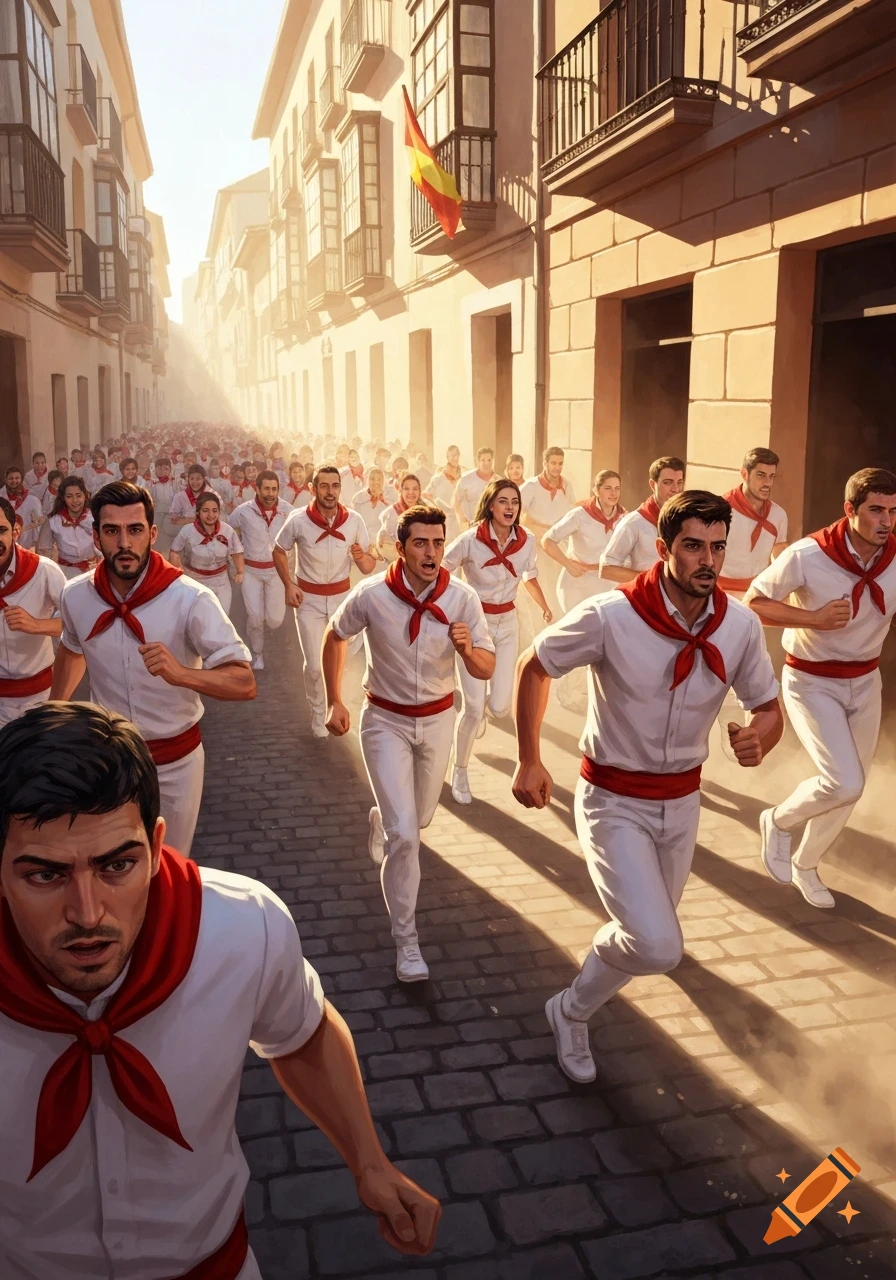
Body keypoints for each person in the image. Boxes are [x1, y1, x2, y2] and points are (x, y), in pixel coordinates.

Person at [0, 702, 441, 1278]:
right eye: (45, 874)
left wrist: (368, 1160)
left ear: (158, 848)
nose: (87, 913)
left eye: (117, 866)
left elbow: (301, 1032)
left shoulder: (243, 927)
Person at [513, 491, 783, 1083]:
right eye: (692, 546)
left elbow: (768, 705)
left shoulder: (739, 624)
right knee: (659, 946)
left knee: (646, 934)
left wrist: (761, 736)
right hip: (612, 800)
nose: (707, 560)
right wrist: (528, 759)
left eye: (717, 546)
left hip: (684, 805)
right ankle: (571, 1011)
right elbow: (534, 665)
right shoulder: (611, 615)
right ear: (662, 551)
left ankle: (573, 1004)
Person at [323, 506, 495, 981]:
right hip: (384, 721)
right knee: (407, 837)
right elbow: (334, 636)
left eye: (438, 543)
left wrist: (466, 650)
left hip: (438, 722)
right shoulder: (372, 595)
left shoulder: (462, 600)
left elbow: (485, 667)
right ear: (399, 548)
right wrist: (335, 700)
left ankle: (383, 815)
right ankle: (407, 941)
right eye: (421, 543)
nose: (432, 553)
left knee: (417, 820)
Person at [50, 481, 256, 855]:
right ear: (96, 536)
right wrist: (51, 710)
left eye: (135, 530)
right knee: (114, 866)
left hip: (176, 763)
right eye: (112, 531)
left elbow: (244, 682)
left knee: (169, 864)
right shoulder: (75, 595)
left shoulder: (190, 599)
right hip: (110, 761)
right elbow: (72, 648)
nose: (124, 543)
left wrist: (182, 674)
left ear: (153, 534)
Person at [747, 467, 896, 909]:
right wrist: (813, 618)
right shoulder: (808, 554)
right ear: (850, 510)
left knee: (853, 786)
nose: (886, 520)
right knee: (843, 779)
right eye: (875, 510)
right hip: (812, 680)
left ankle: (806, 864)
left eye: (893, 511)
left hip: (866, 682)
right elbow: (753, 602)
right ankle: (777, 820)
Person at [444, 478, 552, 804]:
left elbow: (530, 576)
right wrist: (449, 610)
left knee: (501, 706)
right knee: (474, 709)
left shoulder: (528, 540)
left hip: (507, 626)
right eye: (503, 502)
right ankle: (459, 770)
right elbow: (442, 571)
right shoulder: (469, 540)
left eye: (514, 502)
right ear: (491, 505)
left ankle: (479, 716)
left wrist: (545, 605)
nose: (509, 508)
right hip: (474, 627)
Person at [274, 466, 376, 738]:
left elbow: (367, 566)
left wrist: (359, 556)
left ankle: (338, 704)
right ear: (313, 489)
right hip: (309, 601)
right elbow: (278, 550)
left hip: (343, 600)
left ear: (340, 489)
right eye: (324, 486)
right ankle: (319, 712)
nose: (330, 492)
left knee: (342, 660)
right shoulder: (297, 520)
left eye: (335, 486)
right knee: (316, 665)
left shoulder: (354, 520)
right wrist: (289, 584)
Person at [0, 498, 65, 726]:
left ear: (15, 531)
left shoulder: (43, 570)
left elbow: (77, 623)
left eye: (1, 530)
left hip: (38, 697)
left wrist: (37, 625)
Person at [229, 471, 293, 671]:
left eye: (274, 489)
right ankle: (257, 653)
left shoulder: (288, 510)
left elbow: (298, 539)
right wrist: (236, 564)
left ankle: (268, 625)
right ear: (257, 488)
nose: (270, 493)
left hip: (276, 571)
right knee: (255, 618)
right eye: (266, 488)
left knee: (274, 620)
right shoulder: (242, 511)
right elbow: (228, 533)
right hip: (251, 571)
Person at [542, 470, 625, 616]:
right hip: (576, 584)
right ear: (596, 490)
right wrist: (567, 563)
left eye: (617, 488)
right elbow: (548, 540)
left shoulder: (624, 517)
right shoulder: (580, 514)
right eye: (608, 488)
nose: (613, 493)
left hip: (607, 584)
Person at [600, 456, 685, 584]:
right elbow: (606, 569)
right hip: (643, 598)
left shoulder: (687, 521)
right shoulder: (633, 523)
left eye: (679, 482)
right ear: (652, 484)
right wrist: (654, 582)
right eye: (668, 482)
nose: (676, 489)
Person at [719, 447, 789, 596]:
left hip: (757, 594)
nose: (767, 483)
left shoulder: (779, 515)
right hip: (721, 591)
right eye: (761, 475)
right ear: (745, 474)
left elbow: (778, 552)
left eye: (771, 476)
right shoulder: (720, 509)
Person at [169, 491, 244, 617]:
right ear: (198, 512)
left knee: (221, 619)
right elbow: (175, 551)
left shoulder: (227, 530)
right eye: (205, 511)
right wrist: (178, 571)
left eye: (215, 511)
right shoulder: (187, 531)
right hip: (195, 582)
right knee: (198, 620)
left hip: (221, 582)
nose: (211, 515)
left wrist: (240, 572)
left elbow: (236, 552)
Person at [520, 447, 576, 541]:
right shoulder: (531, 485)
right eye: (553, 463)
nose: (557, 468)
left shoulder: (567, 485)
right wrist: (533, 527)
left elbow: (572, 513)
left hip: (559, 543)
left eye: (560, 463)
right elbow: (515, 513)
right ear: (545, 464)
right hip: (535, 542)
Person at [47, 478, 96, 578]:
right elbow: (44, 553)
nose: (75, 500)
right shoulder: (53, 522)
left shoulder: (95, 518)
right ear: (63, 498)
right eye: (69, 496)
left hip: (93, 570)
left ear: (85, 496)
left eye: (79, 495)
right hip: (65, 573)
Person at [378, 474, 422, 563]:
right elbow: (384, 545)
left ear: (420, 491)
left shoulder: (424, 512)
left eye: (415, 489)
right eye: (406, 489)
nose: (411, 492)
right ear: (401, 491)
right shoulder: (392, 513)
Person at [423, 446, 462, 545]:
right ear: (447, 457)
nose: (455, 458)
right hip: (443, 519)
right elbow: (425, 495)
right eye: (452, 455)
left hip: (459, 520)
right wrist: (436, 508)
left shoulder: (463, 476)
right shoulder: (439, 478)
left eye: (457, 455)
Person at [352, 467, 390, 557]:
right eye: (372, 479)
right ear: (367, 480)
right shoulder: (358, 498)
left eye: (379, 479)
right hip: (362, 545)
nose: (376, 482)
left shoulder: (389, 500)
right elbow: (354, 525)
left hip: (382, 546)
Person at [454, 447, 495, 530]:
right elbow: (456, 501)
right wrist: (462, 517)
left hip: (493, 526)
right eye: (483, 460)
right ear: (478, 461)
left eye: (489, 460)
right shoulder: (466, 479)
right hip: (472, 525)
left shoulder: (498, 480)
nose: (486, 463)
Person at [1, 467, 42, 551]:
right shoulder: (1, 498)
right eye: (11, 478)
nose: (14, 481)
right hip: (4, 546)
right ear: (6, 480)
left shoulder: (32, 500)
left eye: (17, 478)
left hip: (27, 546)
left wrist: (33, 543)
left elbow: (38, 523)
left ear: (22, 479)